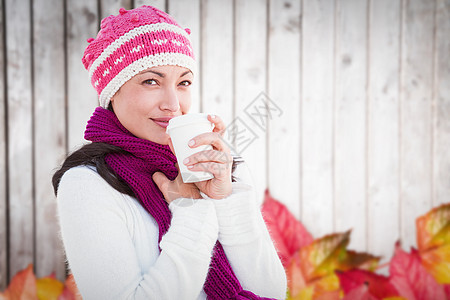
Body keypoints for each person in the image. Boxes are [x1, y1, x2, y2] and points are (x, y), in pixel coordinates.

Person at [53, 5, 287, 300]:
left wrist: (226, 198)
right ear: (112, 91)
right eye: (151, 81)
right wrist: (190, 212)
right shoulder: (88, 184)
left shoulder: (217, 165)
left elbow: (271, 292)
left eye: (184, 83)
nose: (173, 104)